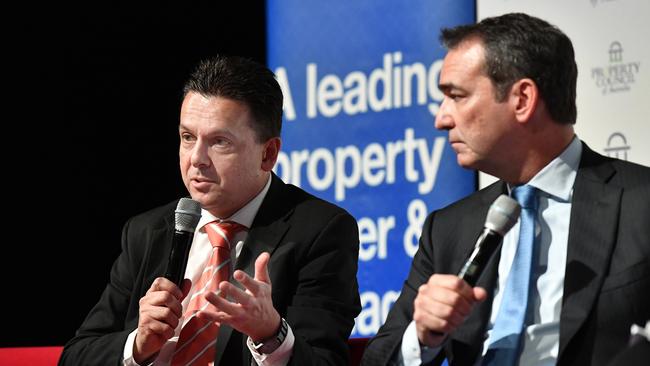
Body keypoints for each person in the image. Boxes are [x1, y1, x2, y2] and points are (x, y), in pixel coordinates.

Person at [361, 12, 650, 366]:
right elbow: (378, 360)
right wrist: (422, 336)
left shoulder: (640, 202)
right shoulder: (448, 230)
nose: (441, 118)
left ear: (523, 99)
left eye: (456, 96)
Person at [59, 55, 361, 365]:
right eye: (187, 137)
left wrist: (271, 334)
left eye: (219, 142)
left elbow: (325, 361)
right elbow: (75, 356)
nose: (196, 159)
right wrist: (138, 344)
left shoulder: (320, 231)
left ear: (267, 154)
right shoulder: (147, 231)